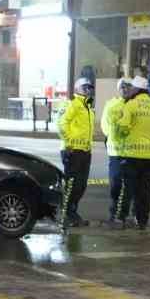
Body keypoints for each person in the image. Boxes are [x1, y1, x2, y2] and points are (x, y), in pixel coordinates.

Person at [113, 76, 150, 232]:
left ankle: (120, 218)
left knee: (126, 189)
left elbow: (122, 127)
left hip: (131, 155)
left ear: (136, 89)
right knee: (144, 191)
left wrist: (120, 140)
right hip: (149, 157)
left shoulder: (131, 105)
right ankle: (142, 221)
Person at [57, 76, 95, 226]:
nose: (87, 90)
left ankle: (72, 213)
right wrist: (69, 144)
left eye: (89, 88)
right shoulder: (73, 105)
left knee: (81, 185)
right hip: (73, 151)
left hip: (85, 151)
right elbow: (62, 124)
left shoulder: (88, 107)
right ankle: (66, 215)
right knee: (72, 185)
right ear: (77, 89)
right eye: (84, 87)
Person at [101, 77, 134, 228]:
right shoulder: (112, 105)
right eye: (123, 87)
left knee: (128, 186)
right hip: (115, 151)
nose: (125, 89)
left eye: (128, 87)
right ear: (118, 89)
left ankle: (122, 215)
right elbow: (105, 127)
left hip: (132, 152)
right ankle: (114, 213)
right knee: (115, 184)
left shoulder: (135, 105)